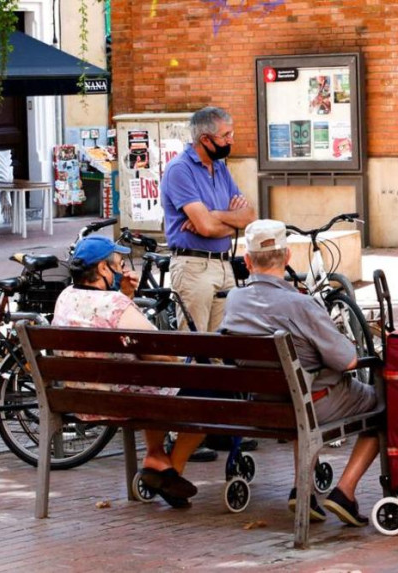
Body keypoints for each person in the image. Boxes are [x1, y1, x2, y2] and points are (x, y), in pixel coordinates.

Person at [219, 219, 379, 526]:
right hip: (309, 404)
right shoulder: (301, 304)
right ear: (288, 257)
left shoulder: (234, 300)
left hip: (262, 405)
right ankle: (344, 491)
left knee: (300, 386)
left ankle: (302, 491)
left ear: (248, 261)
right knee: (384, 406)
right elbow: (347, 360)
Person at [52, 235, 205, 508]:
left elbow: (102, 320)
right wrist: (187, 365)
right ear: (102, 269)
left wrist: (124, 295)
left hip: (79, 400)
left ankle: (156, 457)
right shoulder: (115, 305)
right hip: (121, 401)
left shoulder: (65, 297)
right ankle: (171, 471)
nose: (124, 271)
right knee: (209, 393)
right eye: (120, 264)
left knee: (150, 383)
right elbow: (156, 350)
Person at [161, 106, 257, 458]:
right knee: (192, 349)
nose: (231, 141)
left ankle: (219, 427)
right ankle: (180, 430)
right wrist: (225, 220)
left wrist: (216, 215)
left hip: (222, 265)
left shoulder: (220, 168)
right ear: (205, 139)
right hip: (193, 266)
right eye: (226, 136)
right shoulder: (179, 171)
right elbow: (201, 228)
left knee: (222, 351)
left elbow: (249, 216)